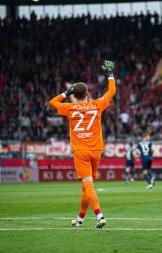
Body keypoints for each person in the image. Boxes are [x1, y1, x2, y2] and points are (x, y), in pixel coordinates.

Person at [48, 60, 116, 229]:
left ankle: (100, 216)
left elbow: (52, 102)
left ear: (74, 95)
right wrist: (110, 73)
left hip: (80, 151)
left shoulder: (69, 108)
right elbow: (112, 90)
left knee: (88, 185)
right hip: (96, 151)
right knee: (87, 187)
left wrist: (66, 92)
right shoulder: (97, 105)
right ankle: (79, 219)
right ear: (87, 94)